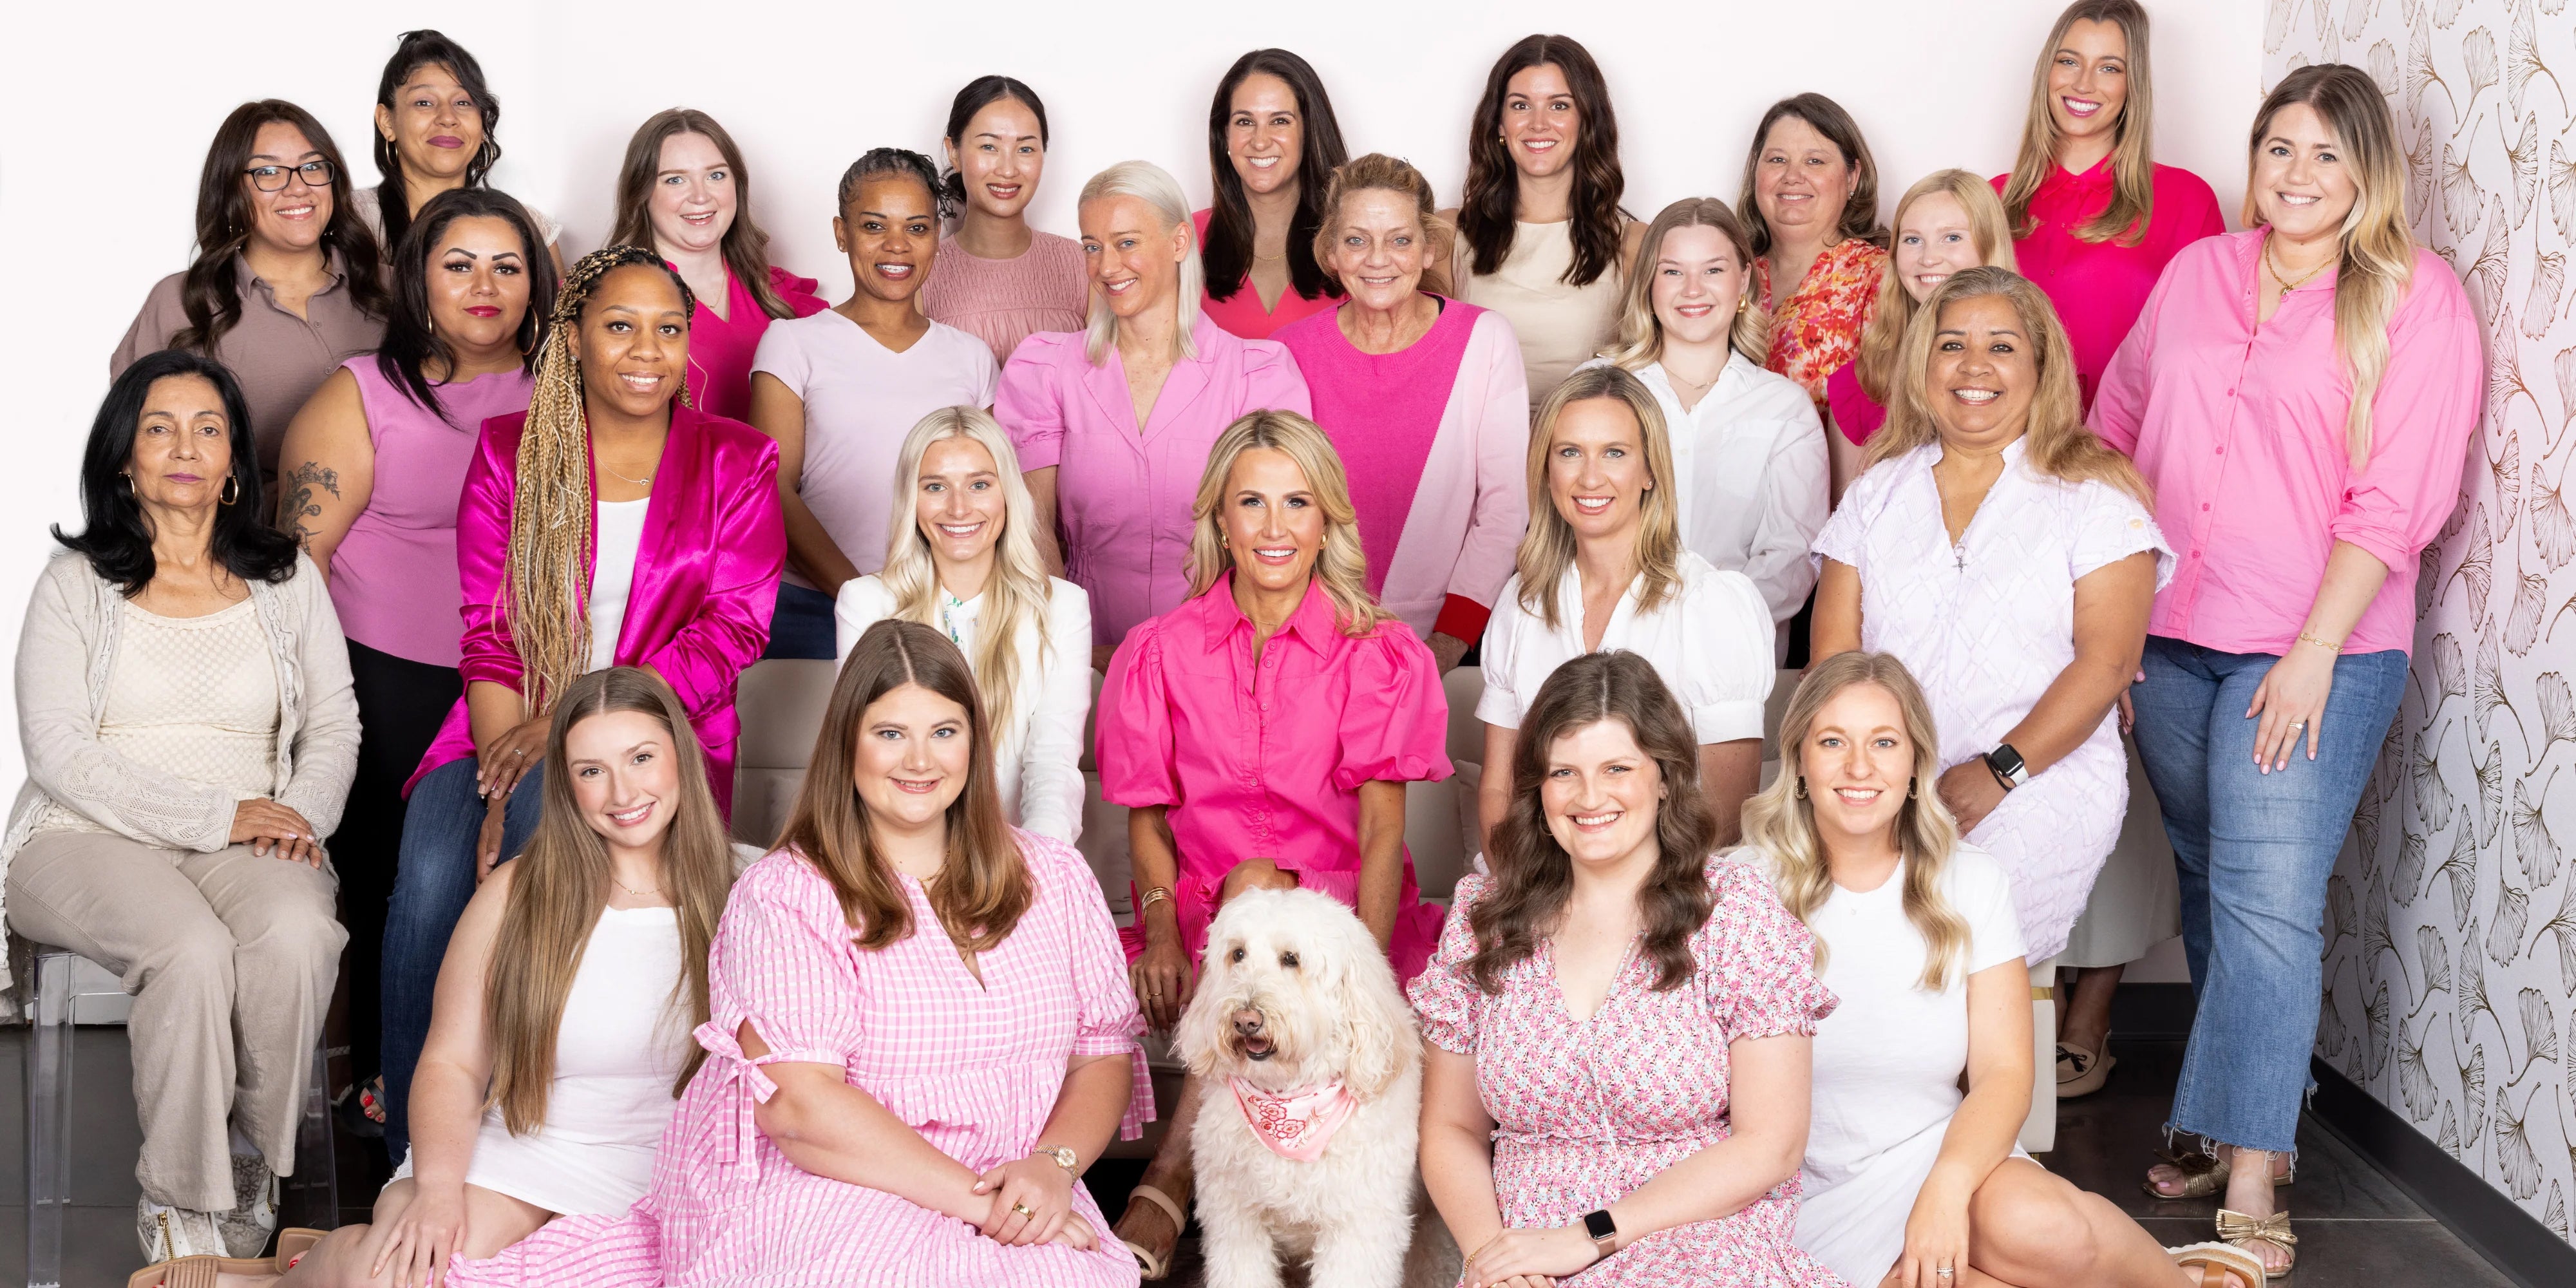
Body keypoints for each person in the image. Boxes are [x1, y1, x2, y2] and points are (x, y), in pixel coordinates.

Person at [417, 621, 1151, 1285]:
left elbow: (1100, 1053)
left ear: (975, 739)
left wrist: (1053, 1168)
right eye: (890, 733)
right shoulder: (790, 892)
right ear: (846, 744)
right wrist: (980, 1202)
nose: (920, 760)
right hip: (835, 1189)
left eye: (944, 730)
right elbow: (802, 1107)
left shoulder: (1054, 877)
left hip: (1020, 1186)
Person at [2097, 65, 2481, 1274]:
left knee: (2267, 896)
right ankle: (2230, 1121)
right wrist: (2104, 624)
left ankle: (2258, 1171)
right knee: (2217, 879)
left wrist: (2313, 652)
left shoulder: (2417, 299)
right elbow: (2119, 418)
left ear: (2368, 168)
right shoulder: (2199, 270)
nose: (2297, 175)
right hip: (2169, 635)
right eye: (2278, 149)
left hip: (2312, 649)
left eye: (2325, 153)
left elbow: (2396, 500)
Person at [379, 245, 785, 1160]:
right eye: (620, 326)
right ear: (573, 339)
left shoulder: (738, 459)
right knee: (436, 876)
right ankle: (417, 1150)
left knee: (544, 854)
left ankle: (547, 1135)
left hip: (660, 742)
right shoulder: (508, 452)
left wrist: (573, 734)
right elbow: (488, 630)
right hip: (502, 727)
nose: (648, 349)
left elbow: (732, 630)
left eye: (669, 329)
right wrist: (495, 777)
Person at [1755, 652, 2264, 1288]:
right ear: (1799, 757)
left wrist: (1945, 1188)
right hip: (1797, 1193)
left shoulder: (1969, 879)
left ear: (1915, 762)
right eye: (1833, 741)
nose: (1859, 766)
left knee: (2044, 1225)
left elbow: (2003, 1074)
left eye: (1883, 741)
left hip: (1938, 1153)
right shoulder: (1741, 886)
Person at [5, 351, 358, 1262]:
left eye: (208, 428)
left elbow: (334, 726)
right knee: (191, 951)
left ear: (236, 458)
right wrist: (222, 817)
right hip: (84, 833)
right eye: (159, 428)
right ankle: (176, 1202)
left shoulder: (286, 582)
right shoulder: (74, 585)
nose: (185, 448)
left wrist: (301, 818)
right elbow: (60, 753)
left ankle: (247, 1164)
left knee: (298, 937)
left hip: (253, 832)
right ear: (125, 459)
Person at [1096, 412, 1452, 1279]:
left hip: (1340, 917)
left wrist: (1358, 971)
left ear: (1326, 517)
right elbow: (1147, 818)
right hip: (1204, 918)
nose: (1274, 526)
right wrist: (1168, 934)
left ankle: (1171, 1175)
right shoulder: (1157, 654)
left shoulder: (1378, 654)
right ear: (1220, 518)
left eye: (1297, 502)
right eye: (1251, 502)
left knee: (1263, 887)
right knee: (1245, 893)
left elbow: (1379, 831)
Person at [278, 668, 735, 1287]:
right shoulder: (518, 891)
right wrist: (438, 1194)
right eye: (590, 770)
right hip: (522, 1152)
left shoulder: (749, 890)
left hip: (669, 1168)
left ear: (681, 754)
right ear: (566, 785)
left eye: (642, 758)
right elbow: (452, 1063)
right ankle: (312, 1267)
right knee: (400, 1278)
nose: (622, 791)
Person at [1413, 650, 1837, 1288]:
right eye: (1564, 772)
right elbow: (1449, 1127)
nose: (1590, 797)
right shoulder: (1486, 915)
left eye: (1617, 767)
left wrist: (1590, 1236)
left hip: (1697, 1235)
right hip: (1525, 1245)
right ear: (1538, 787)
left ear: (1664, 777)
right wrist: (1489, 1256)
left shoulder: (1731, 911)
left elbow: (1772, 1142)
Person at [272, 187, 553, 1135]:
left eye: (507, 266)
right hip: (380, 672)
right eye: (460, 264)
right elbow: (294, 569)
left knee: (494, 888)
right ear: (419, 279)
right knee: (395, 885)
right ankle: (391, 1099)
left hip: (521, 681)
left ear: (536, 284)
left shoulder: (570, 388)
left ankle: (478, 1097)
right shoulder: (363, 391)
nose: (485, 286)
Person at [1811, 267, 2165, 973]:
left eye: (2001, 346)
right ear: (1923, 363)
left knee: (1976, 969)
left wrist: (1999, 772)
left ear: (2041, 364)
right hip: (1880, 776)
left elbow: (2108, 664)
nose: (1973, 366)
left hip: (2037, 781)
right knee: (1865, 968)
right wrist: (1882, 778)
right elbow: (1834, 665)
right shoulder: (1878, 491)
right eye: (1951, 345)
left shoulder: (2094, 496)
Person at [997, 160, 1312, 666]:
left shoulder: (1257, 374)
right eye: (1092, 247)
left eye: (1127, 242)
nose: (1106, 267)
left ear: (1180, 243)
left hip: (1219, 641)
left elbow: (1276, 530)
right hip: (1082, 632)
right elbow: (1032, 525)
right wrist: (1071, 644)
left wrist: (1204, 649)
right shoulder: (1045, 368)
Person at [1475, 365, 1774, 857]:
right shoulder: (1521, 604)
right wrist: (1531, 898)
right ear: (1546, 469)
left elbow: (1723, 814)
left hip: (1674, 894)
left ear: (1650, 470)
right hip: (1536, 887)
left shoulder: (1713, 604)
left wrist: (1619, 907)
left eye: (1614, 453)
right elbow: (1498, 792)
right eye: (1569, 452)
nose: (1590, 476)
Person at [1273, 153, 1527, 667]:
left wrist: (1445, 645)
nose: (1377, 259)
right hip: (1318, 638)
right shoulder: (1288, 352)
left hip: (1454, 639)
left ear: (1430, 248)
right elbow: (1280, 508)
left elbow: (1503, 508)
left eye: (1400, 240)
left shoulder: (1485, 339)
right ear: (1331, 252)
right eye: (1356, 239)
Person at [749, 148, 999, 659]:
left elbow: (986, 495)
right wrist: (864, 600)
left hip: (939, 611)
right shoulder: (793, 343)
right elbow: (772, 488)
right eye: (873, 225)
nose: (897, 246)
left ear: (936, 237)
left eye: (917, 228)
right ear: (842, 233)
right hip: (815, 609)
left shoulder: (971, 358)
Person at [835, 408, 1091, 843]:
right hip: (895, 853)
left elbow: (1053, 758)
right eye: (935, 486)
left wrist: (1040, 866)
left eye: (979, 484)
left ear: (1007, 493)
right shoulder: (867, 603)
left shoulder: (1062, 606)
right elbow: (864, 756)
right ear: (910, 499)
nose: (958, 507)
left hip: (1016, 857)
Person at [1584, 197, 1825, 649]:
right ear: (1649, 284)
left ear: (1744, 281)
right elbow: (1559, 529)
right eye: (1673, 271)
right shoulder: (1595, 390)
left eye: (1713, 270)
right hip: (1608, 652)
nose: (1692, 290)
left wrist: (1701, 629)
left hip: (1732, 661)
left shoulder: (1784, 408)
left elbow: (1792, 559)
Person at [113, 100, 390, 477]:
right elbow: (132, 447)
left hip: (399, 525)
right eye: (269, 172)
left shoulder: (394, 287)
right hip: (242, 530)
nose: (297, 188)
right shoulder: (180, 302)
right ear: (232, 189)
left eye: (312, 167)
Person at [1996, 0, 2224, 410]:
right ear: (2047, 70)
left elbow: (2210, 353)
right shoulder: (1992, 200)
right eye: (2069, 61)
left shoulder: (2188, 200)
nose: (2083, 84)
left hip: (2127, 451)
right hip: (2005, 447)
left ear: (2133, 83)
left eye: (2109, 68)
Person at [1446, 34, 1642, 413]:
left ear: (1586, 120)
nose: (1538, 124)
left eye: (1559, 106)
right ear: (1500, 124)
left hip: (1584, 459)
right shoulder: (1448, 233)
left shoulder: (1634, 242)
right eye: (1521, 105)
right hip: (1474, 459)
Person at [611, 108, 829, 422]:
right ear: (641, 194)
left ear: (737, 184)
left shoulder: (782, 296)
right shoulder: (605, 299)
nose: (701, 197)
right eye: (675, 180)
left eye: (716, 175)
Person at [1823, 171, 2020, 500]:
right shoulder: (1861, 382)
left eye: (1952, 238)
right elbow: (1844, 526)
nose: (1928, 258)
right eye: (1912, 239)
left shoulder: (2032, 368)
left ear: (1990, 246)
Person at [921, 77, 1090, 365]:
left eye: (1025, 149)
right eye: (989, 147)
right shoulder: (922, 271)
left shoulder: (1080, 264)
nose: (1008, 169)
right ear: (954, 152)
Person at [356, 30, 562, 265]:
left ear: (483, 122)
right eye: (424, 102)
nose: (447, 117)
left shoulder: (530, 230)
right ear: (387, 121)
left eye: (463, 102)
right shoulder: (350, 220)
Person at [1739, 93, 1889, 417]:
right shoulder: (1729, 273)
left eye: (1815, 161)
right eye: (1777, 160)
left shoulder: (1879, 277)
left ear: (1852, 177)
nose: (1793, 176)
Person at [1193, 49, 1349, 340]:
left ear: (1309, 131)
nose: (1260, 141)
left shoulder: (1356, 239)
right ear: (1224, 135)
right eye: (1245, 121)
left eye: (1280, 121)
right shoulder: (1185, 240)